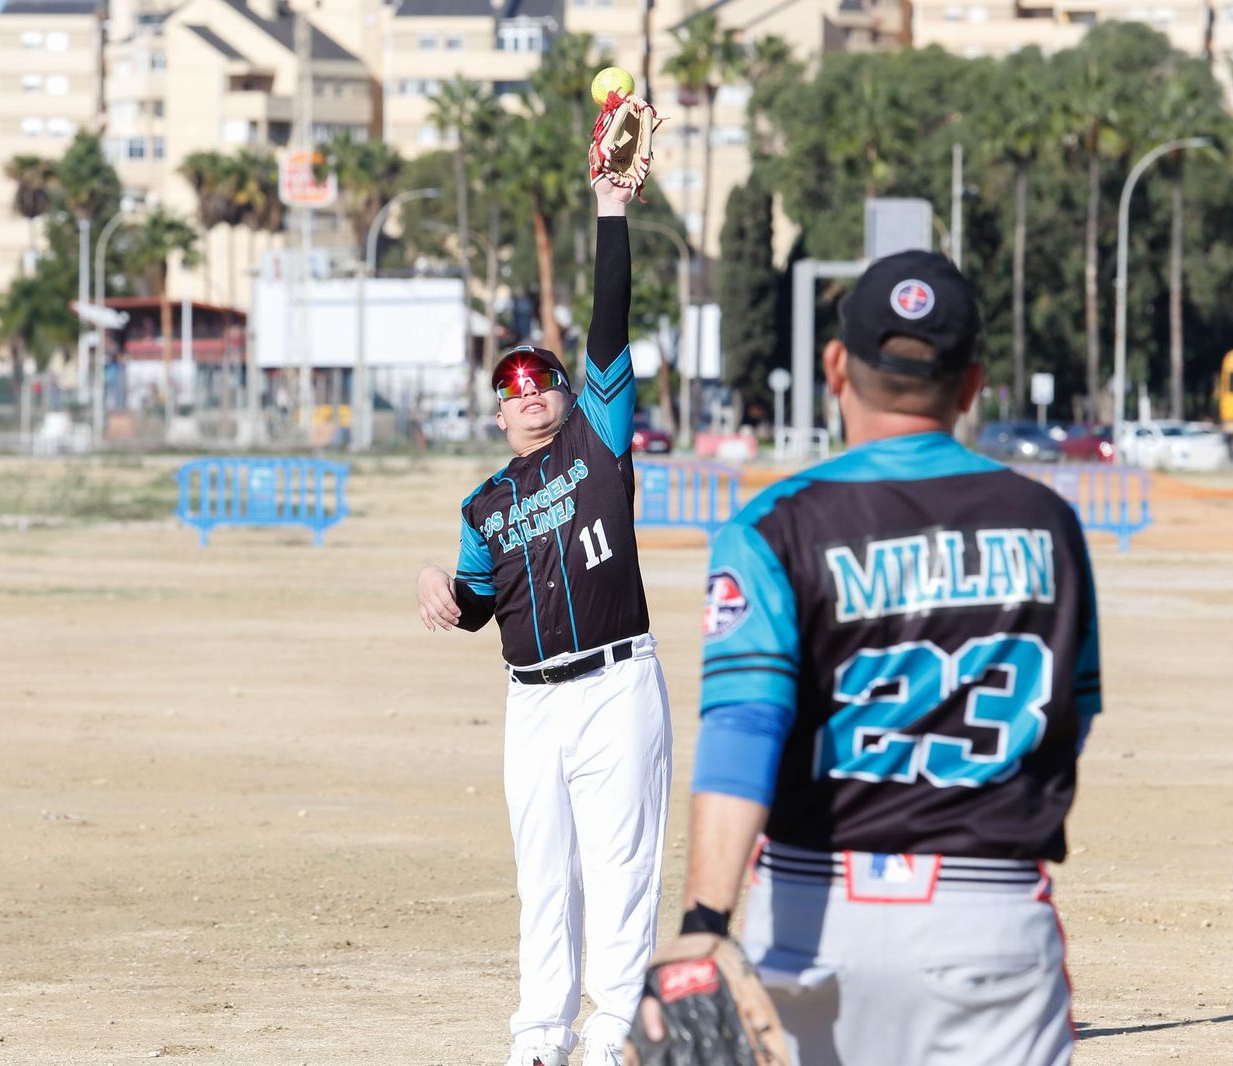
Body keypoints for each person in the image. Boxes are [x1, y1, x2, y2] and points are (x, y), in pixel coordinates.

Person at [642, 250, 1100, 1066]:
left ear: (834, 366)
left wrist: (704, 924)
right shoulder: (1048, 524)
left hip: (820, 917)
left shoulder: (775, 525)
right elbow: (1073, 714)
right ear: (972, 385)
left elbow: (746, 724)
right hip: (989, 914)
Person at [415, 176, 671, 1066]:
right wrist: (440, 589)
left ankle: (611, 1033)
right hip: (532, 701)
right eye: (510, 386)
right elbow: (479, 606)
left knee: (619, 868)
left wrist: (610, 208)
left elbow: (609, 318)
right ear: (495, 412)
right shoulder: (483, 505)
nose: (527, 392)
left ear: (569, 393)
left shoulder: (597, 440)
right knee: (544, 879)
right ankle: (539, 1037)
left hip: (615, 680)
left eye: (541, 379)